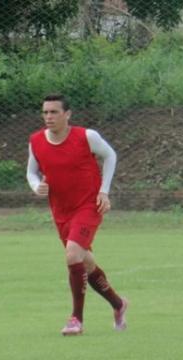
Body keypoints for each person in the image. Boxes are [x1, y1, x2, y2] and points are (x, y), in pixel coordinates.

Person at [26, 93, 128, 336]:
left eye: (54, 112)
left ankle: (76, 320)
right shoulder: (36, 141)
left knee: (73, 254)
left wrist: (104, 191)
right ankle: (118, 304)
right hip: (60, 211)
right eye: (45, 112)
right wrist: (35, 185)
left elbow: (110, 155)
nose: (48, 117)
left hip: (88, 206)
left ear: (67, 114)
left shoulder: (86, 136)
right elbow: (31, 172)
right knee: (85, 262)